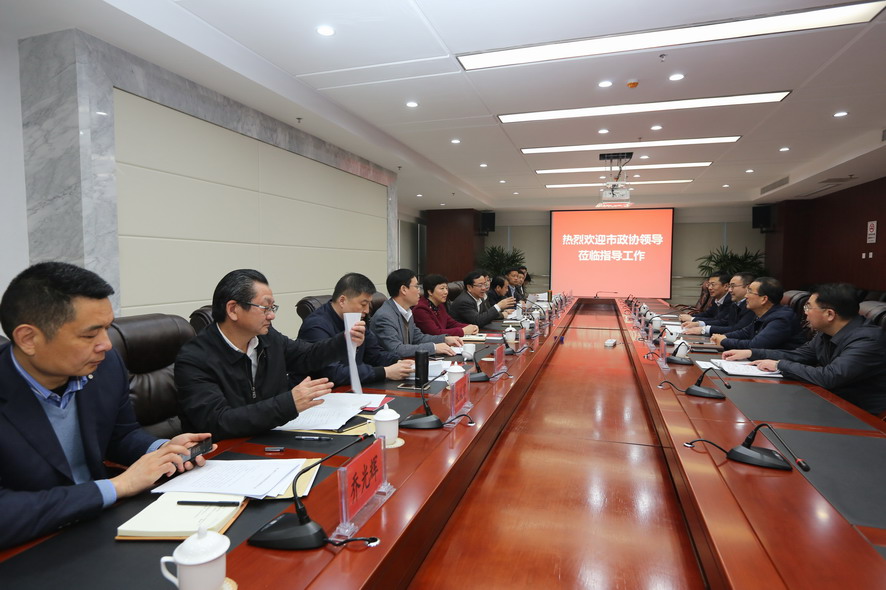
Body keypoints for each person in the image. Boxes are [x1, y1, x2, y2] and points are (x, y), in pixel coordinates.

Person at [0, 262, 211, 549]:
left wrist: (162, 451)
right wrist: (118, 486)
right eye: (90, 335)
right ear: (28, 338)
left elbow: (120, 435)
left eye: (107, 329)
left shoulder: (104, 366)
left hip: (101, 523)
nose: (106, 345)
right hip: (30, 544)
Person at [175, 269, 365, 440]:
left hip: (269, 437)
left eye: (272, 308)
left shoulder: (266, 337)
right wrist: (288, 403)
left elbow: (306, 355)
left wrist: (344, 340)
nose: (271, 315)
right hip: (223, 452)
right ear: (233, 310)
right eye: (265, 308)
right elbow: (218, 422)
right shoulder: (195, 358)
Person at [722, 283, 886, 415]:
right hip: (828, 402)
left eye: (808, 308)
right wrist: (751, 353)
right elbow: (798, 355)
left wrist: (779, 365)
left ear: (829, 314)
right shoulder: (825, 333)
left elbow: (830, 376)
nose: (805, 314)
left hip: (861, 416)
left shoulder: (868, 340)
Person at [297, 272, 413, 385]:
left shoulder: (356, 319)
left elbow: (375, 354)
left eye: (368, 304)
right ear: (342, 301)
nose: (367, 310)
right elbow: (333, 373)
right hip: (323, 392)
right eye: (363, 304)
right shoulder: (315, 326)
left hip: (352, 388)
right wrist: (385, 372)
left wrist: (399, 362)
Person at [370, 269, 460, 357]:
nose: (419, 291)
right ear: (404, 289)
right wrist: (434, 348)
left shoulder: (407, 311)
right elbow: (396, 349)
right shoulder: (385, 316)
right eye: (416, 286)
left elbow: (418, 338)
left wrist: (445, 339)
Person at [710, 276, 804, 351]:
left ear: (764, 299)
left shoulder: (781, 319)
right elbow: (745, 332)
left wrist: (724, 341)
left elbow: (755, 345)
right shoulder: (763, 314)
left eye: (750, 292)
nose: (746, 296)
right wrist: (723, 336)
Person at [682, 272, 755, 336]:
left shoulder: (751, 306)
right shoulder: (735, 304)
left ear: (748, 287)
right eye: (730, 286)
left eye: (733, 286)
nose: (730, 290)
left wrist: (704, 329)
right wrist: (699, 324)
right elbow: (724, 322)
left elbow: (737, 329)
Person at [413, 274, 479, 337]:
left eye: (446, 288)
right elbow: (435, 333)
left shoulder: (440, 305)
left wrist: (470, 327)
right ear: (430, 292)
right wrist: (463, 331)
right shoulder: (420, 309)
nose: (446, 292)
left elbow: (452, 323)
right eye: (442, 288)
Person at [449, 270, 515, 328]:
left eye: (484, 284)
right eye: (480, 285)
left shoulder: (479, 297)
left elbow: (486, 315)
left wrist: (503, 313)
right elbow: (478, 321)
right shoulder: (464, 301)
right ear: (469, 287)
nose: (484, 288)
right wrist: (498, 306)